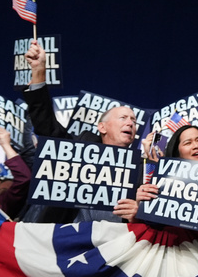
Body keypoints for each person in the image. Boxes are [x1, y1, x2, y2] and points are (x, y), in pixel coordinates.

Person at [21, 40, 139, 222]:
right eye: (123, 118)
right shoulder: (78, 147)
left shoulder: (139, 169)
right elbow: (46, 125)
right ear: (102, 127)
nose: (130, 123)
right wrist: (38, 72)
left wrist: (139, 213)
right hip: (66, 238)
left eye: (133, 120)